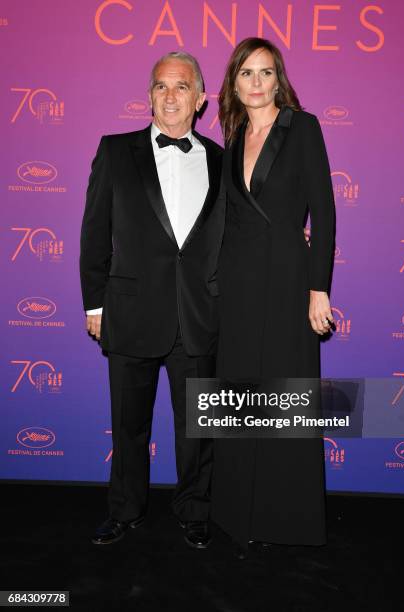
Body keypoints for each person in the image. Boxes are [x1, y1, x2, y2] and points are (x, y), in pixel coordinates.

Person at [80, 52, 225, 549]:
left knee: (198, 430)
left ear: (201, 98)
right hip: (130, 312)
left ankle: (194, 511)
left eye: (181, 87)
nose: (170, 96)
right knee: (128, 425)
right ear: (148, 96)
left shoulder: (223, 161)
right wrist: (95, 306)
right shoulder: (116, 151)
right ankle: (124, 510)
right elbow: (94, 234)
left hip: (198, 316)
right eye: (161, 86)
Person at [211, 38, 336, 555]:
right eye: (247, 73)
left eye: (266, 72)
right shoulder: (233, 135)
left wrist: (319, 288)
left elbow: (324, 213)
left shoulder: (302, 127)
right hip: (238, 283)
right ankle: (236, 513)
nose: (257, 82)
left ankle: (288, 517)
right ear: (233, 83)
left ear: (278, 79)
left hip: (288, 278)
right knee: (240, 391)